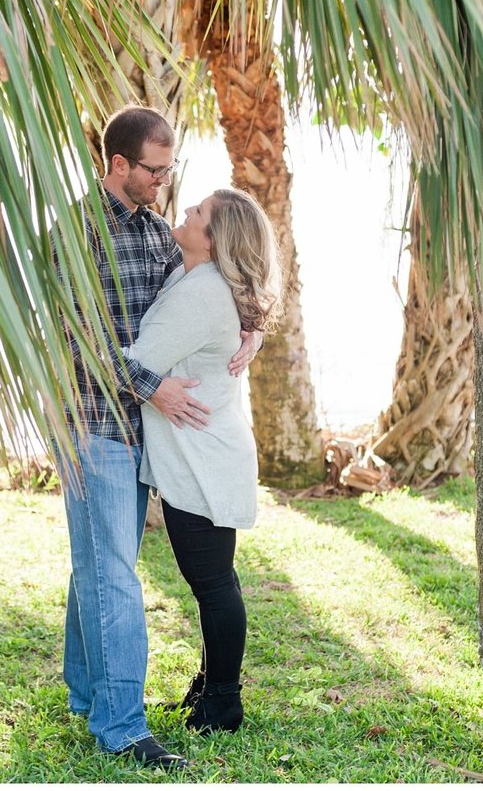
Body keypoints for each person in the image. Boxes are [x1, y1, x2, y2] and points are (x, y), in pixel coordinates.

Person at [53, 106, 262, 769]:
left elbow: (223, 273)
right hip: (94, 425)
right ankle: (121, 725)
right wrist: (151, 385)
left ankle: (87, 696)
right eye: (155, 170)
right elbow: (72, 336)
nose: (165, 182)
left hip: (141, 430)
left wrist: (251, 327)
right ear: (119, 165)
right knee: (113, 573)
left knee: (98, 562)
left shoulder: (153, 231)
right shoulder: (76, 233)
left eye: (171, 169)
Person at [124, 188, 283, 735]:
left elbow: (138, 361)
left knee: (213, 583)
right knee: (215, 582)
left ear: (214, 240)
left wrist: (85, 337)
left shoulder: (203, 294)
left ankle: (223, 701)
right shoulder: (196, 278)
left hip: (204, 462)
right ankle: (211, 687)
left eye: (197, 213)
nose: (184, 212)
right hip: (205, 452)